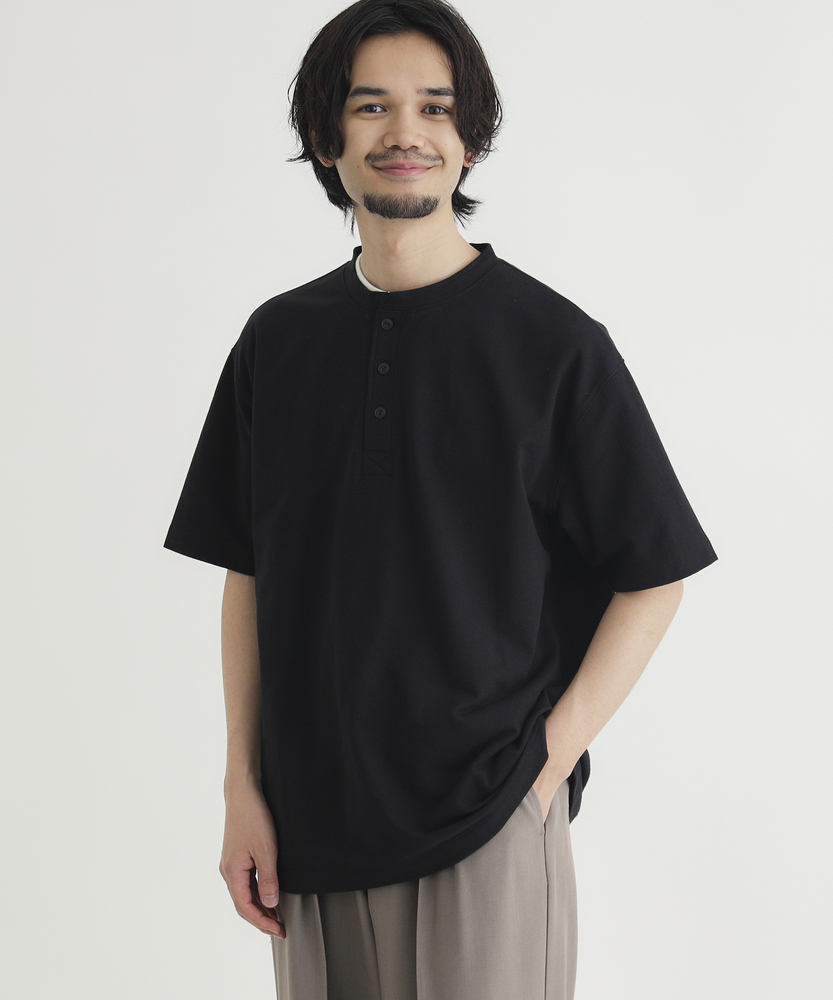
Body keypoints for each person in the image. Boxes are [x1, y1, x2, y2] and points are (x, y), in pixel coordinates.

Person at [162, 1, 718, 997]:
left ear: (470, 138)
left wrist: (542, 769)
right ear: (325, 137)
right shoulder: (276, 341)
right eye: (370, 105)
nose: (404, 132)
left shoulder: (554, 346)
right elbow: (249, 569)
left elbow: (654, 575)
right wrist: (241, 785)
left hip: (484, 818)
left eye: (434, 106)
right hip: (309, 823)